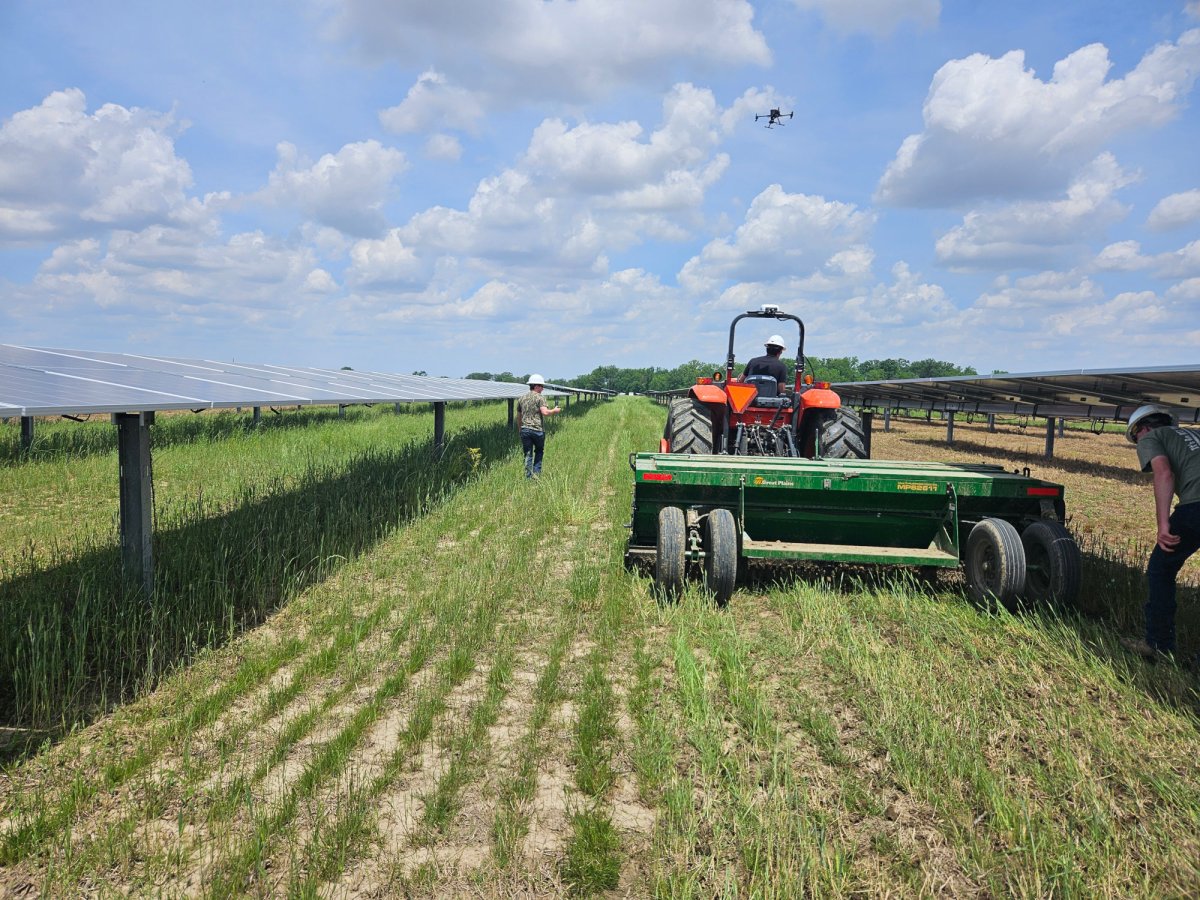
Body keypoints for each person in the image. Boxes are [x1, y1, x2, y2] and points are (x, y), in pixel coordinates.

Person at [1123, 403, 1200, 662]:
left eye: (1136, 439)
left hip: (1196, 506)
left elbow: (1164, 473)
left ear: (1142, 429)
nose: (1138, 446)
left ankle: (1159, 645)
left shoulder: (1152, 437)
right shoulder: (1194, 434)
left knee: (1161, 569)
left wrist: (1163, 524)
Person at [518, 374, 562, 478]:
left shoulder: (521, 398)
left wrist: (520, 429)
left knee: (528, 454)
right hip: (537, 430)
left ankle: (528, 477)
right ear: (536, 386)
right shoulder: (540, 398)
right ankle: (536, 475)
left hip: (525, 430)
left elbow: (518, 416)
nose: (542, 388)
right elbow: (545, 413)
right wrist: (555, 410)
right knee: (538, 452)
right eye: (541, 386)